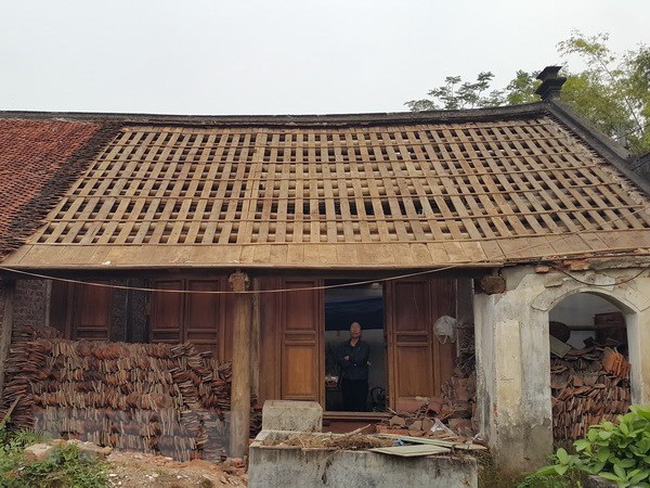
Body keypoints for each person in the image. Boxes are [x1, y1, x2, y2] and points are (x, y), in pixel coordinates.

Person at [337, 322, 370, 411]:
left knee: (361, 405)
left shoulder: (364, 346)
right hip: (347, 379)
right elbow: (340, 361)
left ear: (361, 331)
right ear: (349, 330)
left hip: (361, 380)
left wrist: (349, 358)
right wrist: (354, 362)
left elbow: (361, 359)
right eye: (353, 327)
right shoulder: (343, 345)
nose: (355, 330)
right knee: (347, 405)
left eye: (357, 328)